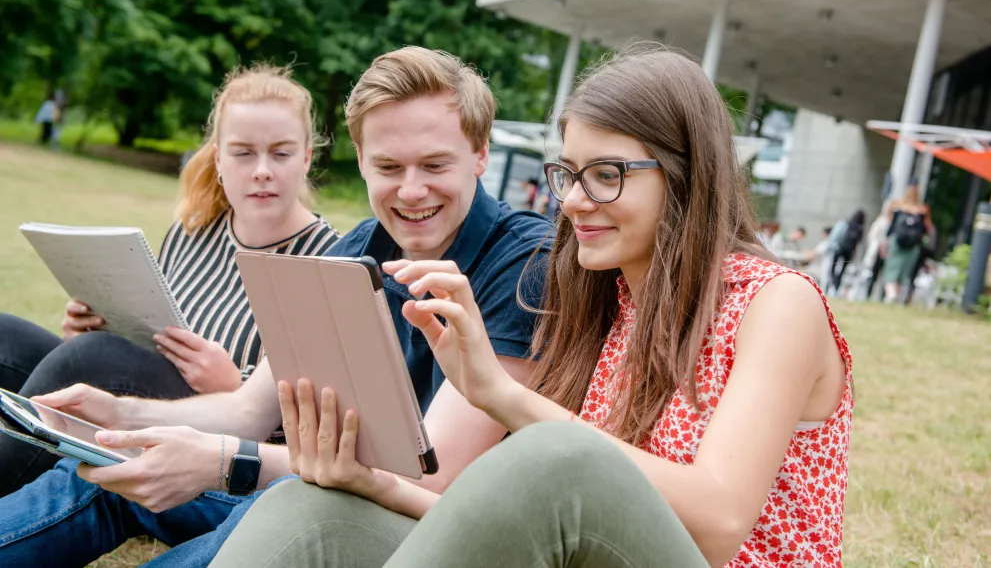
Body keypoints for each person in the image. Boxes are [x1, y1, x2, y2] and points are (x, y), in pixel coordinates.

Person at [211, 45, 853, 568]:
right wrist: (367, 482)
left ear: (685, 173)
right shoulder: (604, 303)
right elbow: (527, 527)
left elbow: (717, 526)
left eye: (607, 175)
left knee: (555, 459)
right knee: (312, 510)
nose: (573, 201)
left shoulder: (776, 303)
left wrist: (497, 390)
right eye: (568, 174)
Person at [0, 47, 551, 568]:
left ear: (481, 155)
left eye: (434, 165)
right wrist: (120, 417)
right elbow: (248, 411)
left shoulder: (524, 263)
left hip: (401, 525)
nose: (410, 191)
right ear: (359, 159)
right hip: (314, 485)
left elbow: (433, 481)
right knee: (106, 467)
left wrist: (222, 462)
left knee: (279, 505)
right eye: (388, 167)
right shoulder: (355, 249)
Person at [0, 64, 340, 497]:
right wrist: (95, 326)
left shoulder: (329, 259)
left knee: (96, 357)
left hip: (227, 442)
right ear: (218, 158)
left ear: (307, 157)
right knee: (7, 335)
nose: (262, 170)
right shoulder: (193, 231)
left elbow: (312, 427)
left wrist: (236, 384)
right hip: (137, 393)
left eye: (281, 153)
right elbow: (152, 331)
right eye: (243, 153)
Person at [882, 183, 931, 304]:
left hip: (896, 242)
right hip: (913, 245)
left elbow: (891, 226)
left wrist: (885, 240)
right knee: (904, 270)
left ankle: (891, 294)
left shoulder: (897, 207)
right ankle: (896, 295)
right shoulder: (922, 210)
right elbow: (926, 230)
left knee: (891, 268)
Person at [862, 201, 894, 301]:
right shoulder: (881, 221)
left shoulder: (893, 222)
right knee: (873, 275)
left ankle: (884, 298)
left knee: (886, 276)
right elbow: (872, 236)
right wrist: (879, 245)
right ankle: (868, 295)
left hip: (888, 253)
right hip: (877, 252)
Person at [830, 209, 865, 295]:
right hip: (849, 251)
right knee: (842, 270)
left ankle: (833, 283)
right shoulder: (860, 228)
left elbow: (837, 235)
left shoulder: (846, 223)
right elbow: (859, 241)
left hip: (839, 248)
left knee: (833, 267)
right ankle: (837, 285)